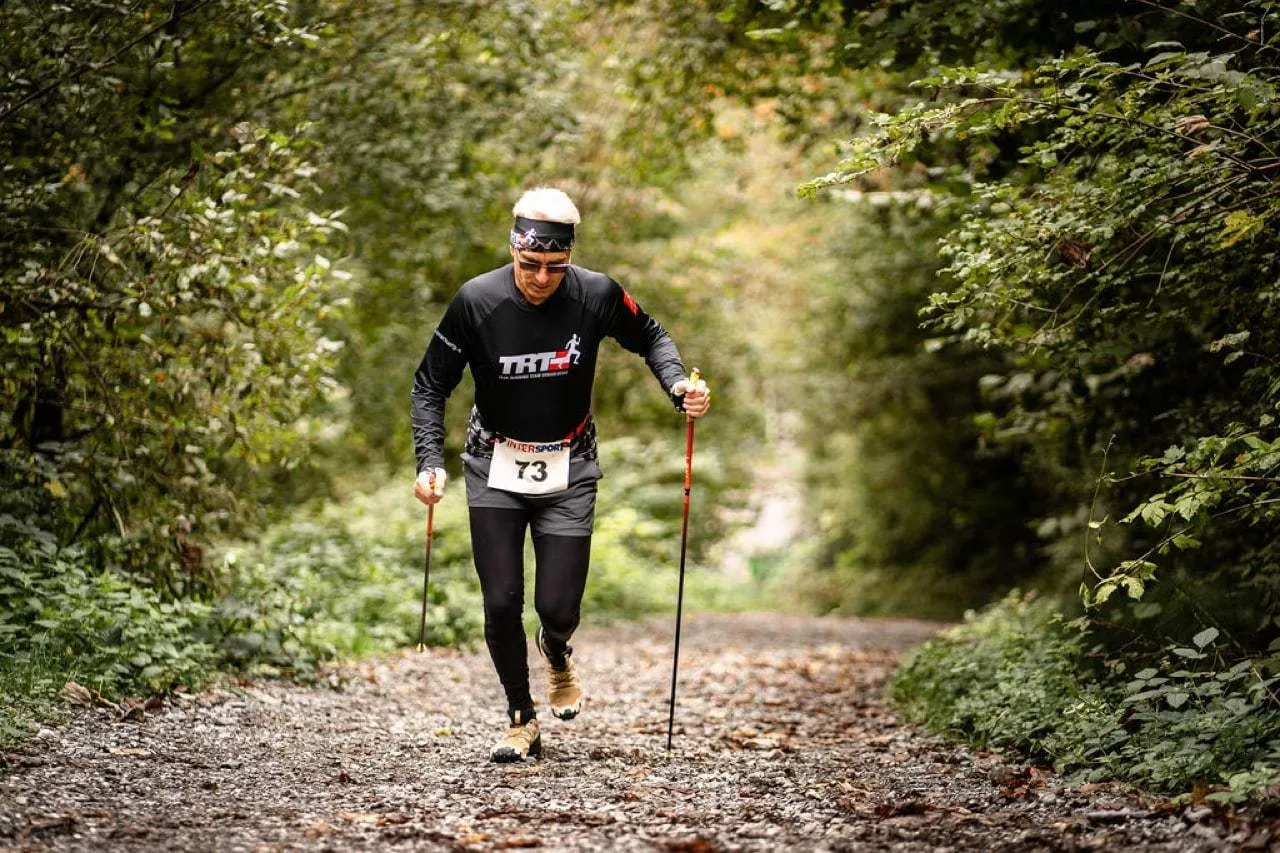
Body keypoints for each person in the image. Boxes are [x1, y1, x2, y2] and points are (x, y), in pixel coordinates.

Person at [410, 187, 711, 762]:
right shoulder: (477, 300)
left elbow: (650, 335)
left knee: (557, 608)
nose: (542, 278)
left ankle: (558, 650)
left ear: (569, 257)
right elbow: (429, 386)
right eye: (530, 265)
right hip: (493, 461)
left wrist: (678, 386)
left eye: (555, 266)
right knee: (500, 600)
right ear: (513, 249)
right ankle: (521, 717)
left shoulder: (597, 294)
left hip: (569, 464)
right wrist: (429, 461)